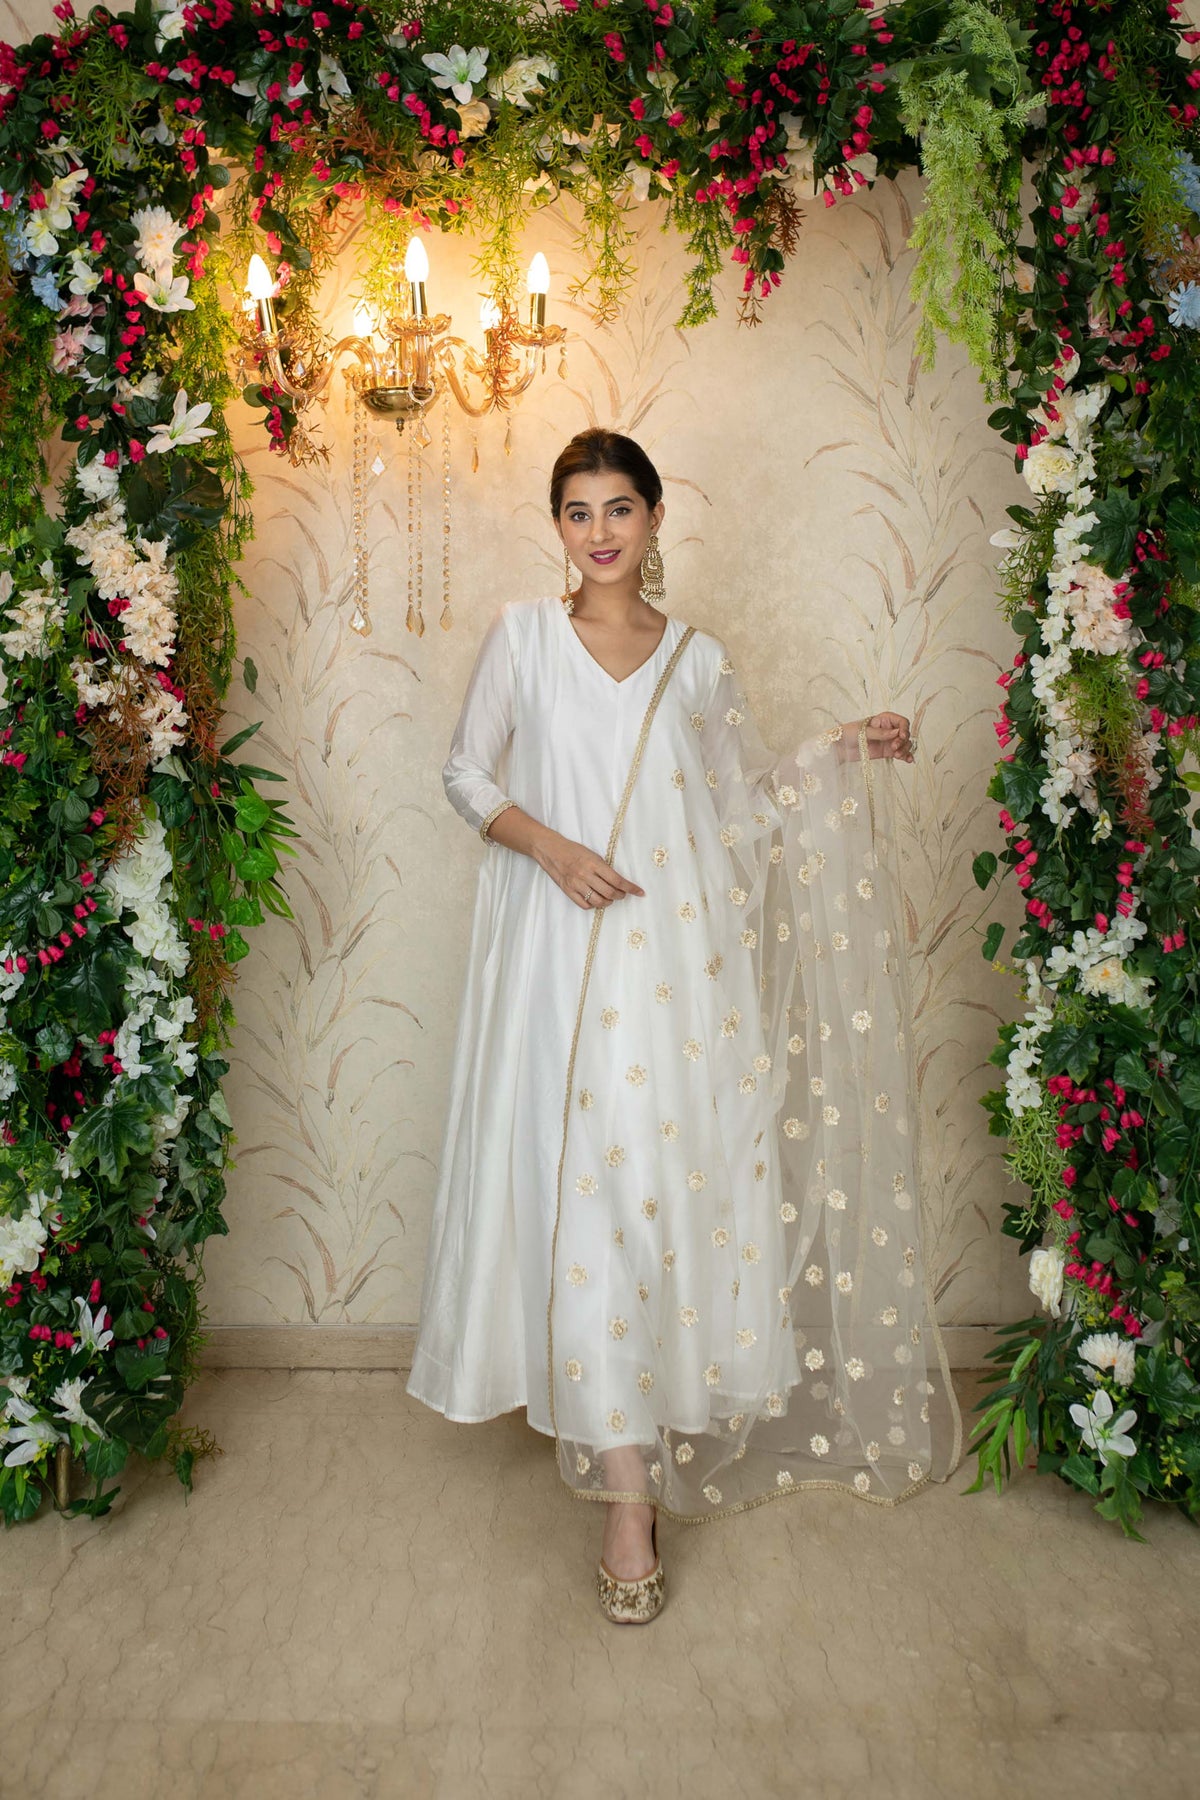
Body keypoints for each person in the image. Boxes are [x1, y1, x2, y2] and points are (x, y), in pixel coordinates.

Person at [407, 427, 964, 1625]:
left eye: (619, 508)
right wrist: (554, 850)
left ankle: (642, 1441)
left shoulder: (697, 661)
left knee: (657, 1190)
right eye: (576, 512)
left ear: (656, 518)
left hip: (675, 969)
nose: (598, 532)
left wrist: (838, 751)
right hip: (559, 961)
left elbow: (739, 806)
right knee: (586, 1195)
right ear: (557, 527)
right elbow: (465, 775)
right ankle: (627, 1496)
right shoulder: (524, 640)